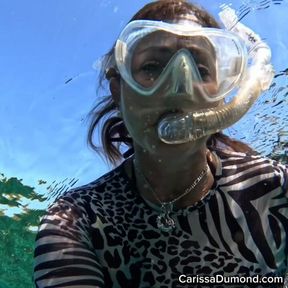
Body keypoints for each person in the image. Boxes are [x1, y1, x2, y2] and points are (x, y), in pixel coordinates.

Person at [33, 1, 288, 287]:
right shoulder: (75, 221)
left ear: (221, 96)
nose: (179, 86)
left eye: (201, 70)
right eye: (153, 67)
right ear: (119, 91)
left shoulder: (276, 186)